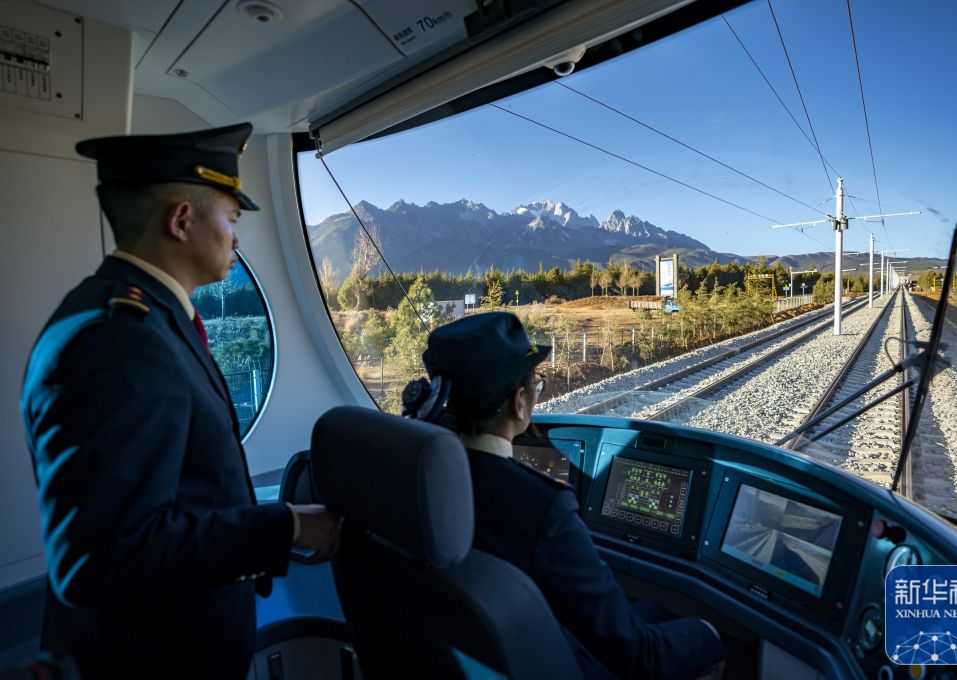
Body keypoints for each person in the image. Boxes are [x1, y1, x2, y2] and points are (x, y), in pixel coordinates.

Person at [20, 123, 341, 679]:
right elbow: (105, 556)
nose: (236, 238)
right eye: (232, 219)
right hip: (152, 658)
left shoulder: (143, 319)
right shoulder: (119, 341)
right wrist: (285, 526)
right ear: (181, 219)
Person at [415, 311, 726, 680]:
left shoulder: (413, 479)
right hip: (548, 661)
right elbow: (639, 656)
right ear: (519, 402)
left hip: (460, 655)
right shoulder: (543, 506)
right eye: (537, 385)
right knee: (701, 638)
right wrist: (708, 634)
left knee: (653, 609)